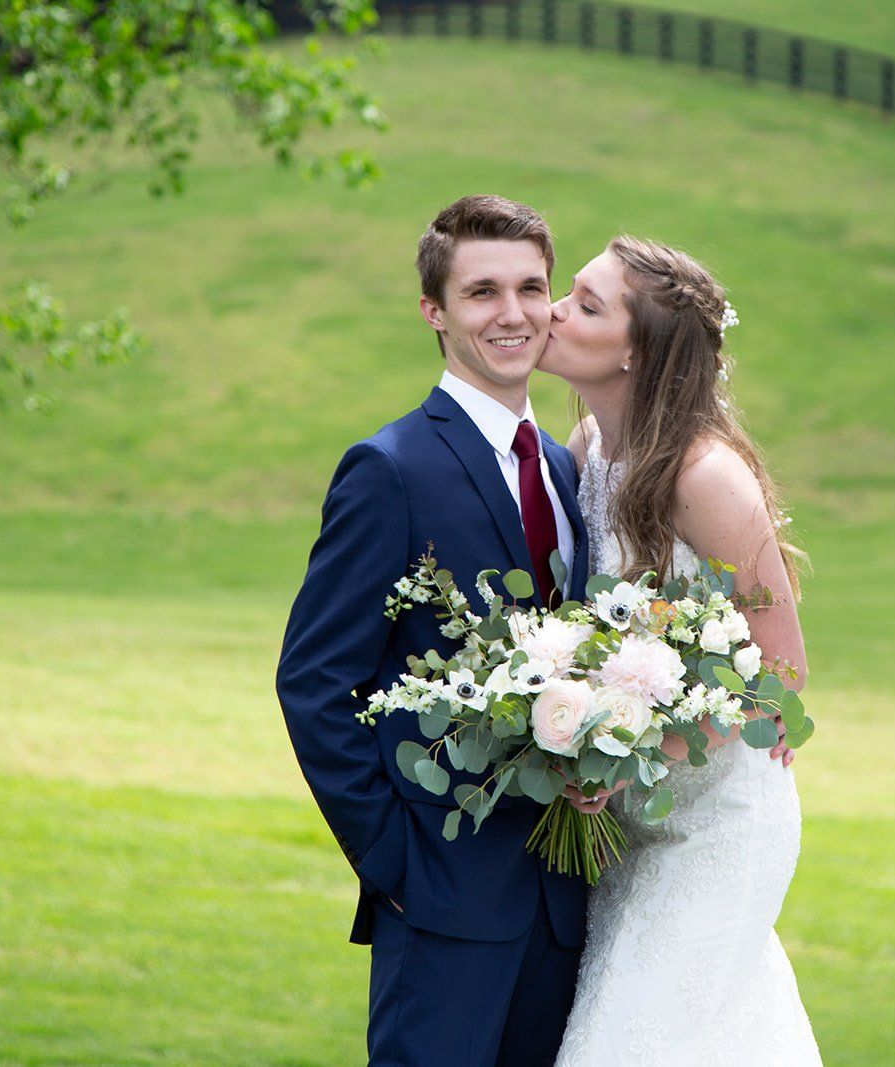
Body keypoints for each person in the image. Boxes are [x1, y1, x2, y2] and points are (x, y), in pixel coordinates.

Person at [275, 194, 591, 1066]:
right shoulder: (391, 468)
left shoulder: (565, 470)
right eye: (482, 291)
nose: (513, 313)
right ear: (435, 312)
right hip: (440, 897)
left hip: (564, 904)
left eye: (532, 287)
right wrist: (394, 861)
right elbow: (315, 680)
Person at [540, 235, 821, 1064]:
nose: (554, 309)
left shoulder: (705, 478)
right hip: (631, 825)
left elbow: (781, 674)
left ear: (637, 352)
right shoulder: (592, 449)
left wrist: (629, 756)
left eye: (586, 304)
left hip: (718, 822)